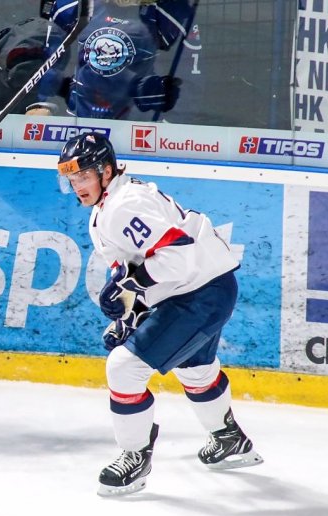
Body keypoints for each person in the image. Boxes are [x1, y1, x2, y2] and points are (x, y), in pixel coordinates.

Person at [57, 132, 262, 496]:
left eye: (83, 176)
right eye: (72, 179)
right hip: (204, 288)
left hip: (199, 295)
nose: (78, 186)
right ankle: (229, 439)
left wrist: (130, 286)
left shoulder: (123, 206)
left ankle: (134, 457)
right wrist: (130, 315)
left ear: (106, 171)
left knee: (124, 368)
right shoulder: (109, 204)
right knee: (195, 369)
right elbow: (146, 267)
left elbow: (178, 257)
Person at [26, 0, 193, 119]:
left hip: (133, 129)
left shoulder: (167, 10)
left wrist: (156, 91)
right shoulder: (70, 6)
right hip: (74, 121)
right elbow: (48, 62)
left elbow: (188, 76)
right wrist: (41, 101)